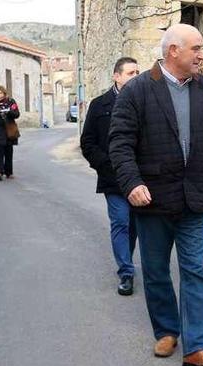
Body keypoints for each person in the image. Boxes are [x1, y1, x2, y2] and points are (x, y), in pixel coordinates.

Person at [109, 24, 203, 366]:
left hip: (196, 199)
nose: (202, 55)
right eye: (196, 49)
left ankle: (198, 347)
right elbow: (120, 143)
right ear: (173, 50)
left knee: (194, 269)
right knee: (157, 270)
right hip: (154, 201)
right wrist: (131, 183)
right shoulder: (138, 91)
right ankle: (166, 330)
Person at [80, 56, 140, 296]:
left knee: (134, 226)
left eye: (138, 72)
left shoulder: (145, 102)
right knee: (120, 223)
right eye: (130, 73)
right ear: (117, 76)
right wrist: (105, 164)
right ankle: (126, 272)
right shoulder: (100, 104)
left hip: (139, 178)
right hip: (113, 178)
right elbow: (87, 142)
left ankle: (126, 260)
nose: (136, 76)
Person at [0, 86, 21, 181]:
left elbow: (17, 114)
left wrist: (8, 112)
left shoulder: (11, 101)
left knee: (9, 151)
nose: (0, 95)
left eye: (2, 93)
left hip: (9, 128)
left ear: (4, 93)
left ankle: (9, 172)